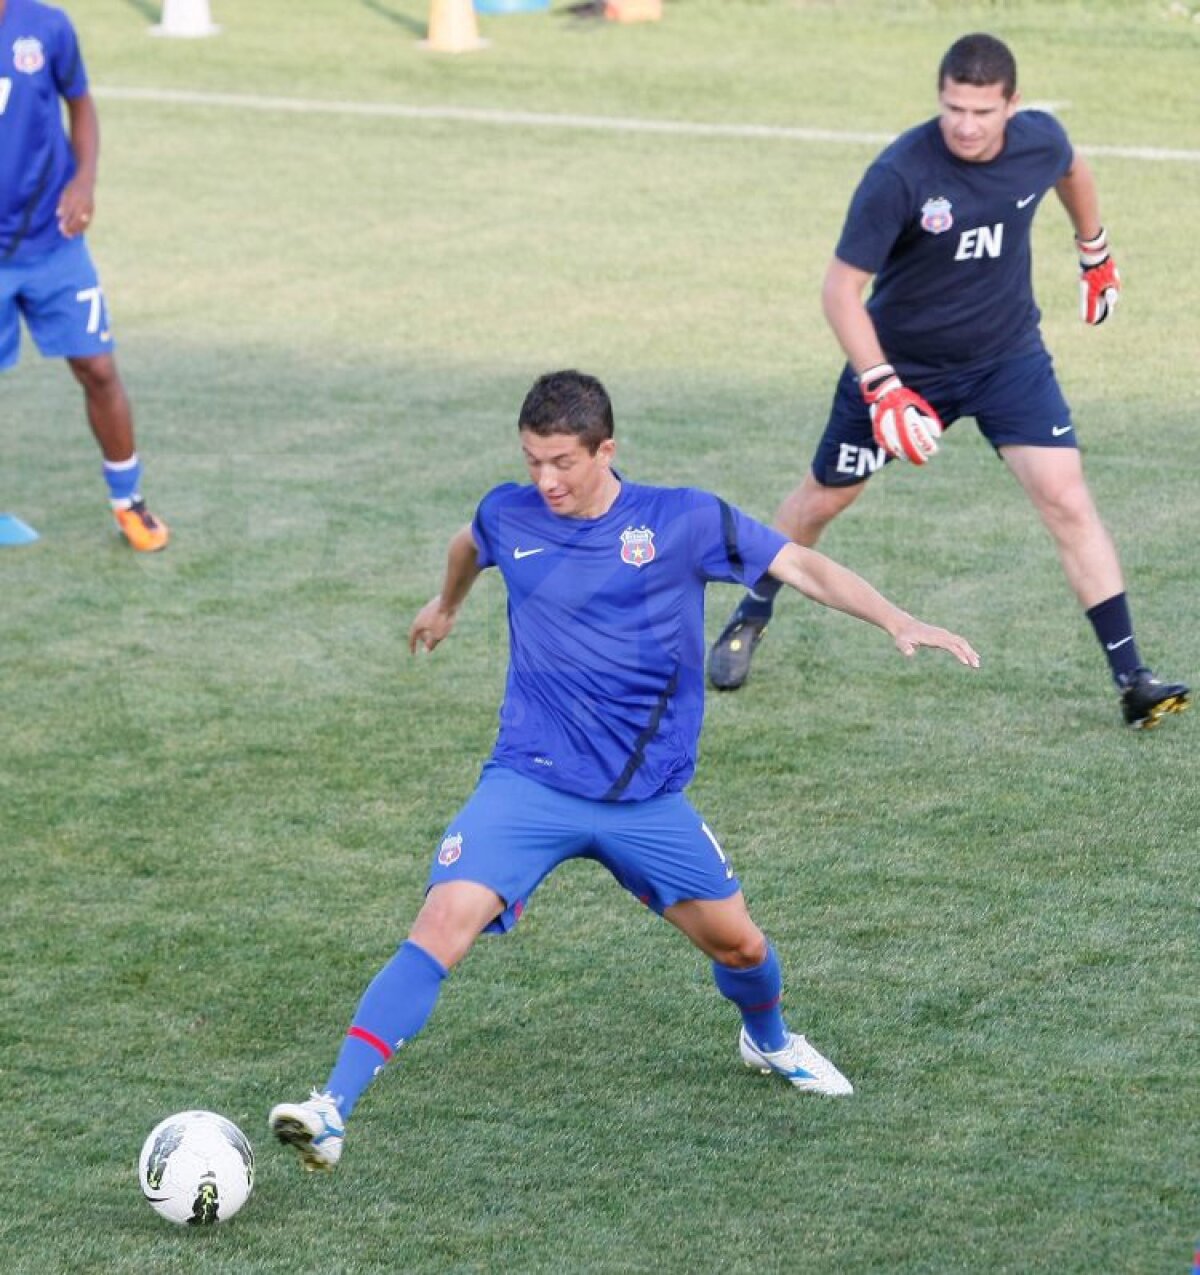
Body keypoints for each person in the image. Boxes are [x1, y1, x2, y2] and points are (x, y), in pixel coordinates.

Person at [268, 370, 980, 1171]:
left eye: (563, 462)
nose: (546, 480)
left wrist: (895, 616)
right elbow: (468, 544)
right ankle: (331, 1108)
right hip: (528, 784)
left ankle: (770, 1041)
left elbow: (799, 565)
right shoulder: (511, 512)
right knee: (439, 927)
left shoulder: (681, 520)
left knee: (741, 947)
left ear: (606, 450)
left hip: (644, 801)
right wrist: (448, 605)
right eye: (534, 460)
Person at [707, 32, 1187, 730]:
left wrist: (1096, 252)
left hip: (1006, 359)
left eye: (982, 111)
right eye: (953, 108)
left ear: (1013, 106)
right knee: (820, 503)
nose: (964, 125)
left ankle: (1133, 679)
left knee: (1067, 500)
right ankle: (752, 613)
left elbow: (1073, 168)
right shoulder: (901, 173)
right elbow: (841, 290)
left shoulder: (1039, 140)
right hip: (901, 371)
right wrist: (882, 386)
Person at [0, 0, 167, 551]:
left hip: (53, 241)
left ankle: (129, 502)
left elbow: (82, 103)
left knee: (98, 368)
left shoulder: (47, 26)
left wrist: (85, 181)